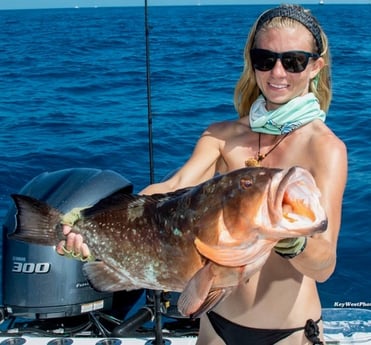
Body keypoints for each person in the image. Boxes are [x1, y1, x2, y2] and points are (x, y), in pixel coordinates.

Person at [57, 4, 348, 344]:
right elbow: (173, 188)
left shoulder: (325, 149)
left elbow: (324, 265)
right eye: (265, 60)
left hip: (290, 333)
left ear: (316, 66)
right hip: (215, 328)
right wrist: (91, 224)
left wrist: (292, 240)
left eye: (294, 61)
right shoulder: (222, 136)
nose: (278, 73)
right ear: (251, 62)